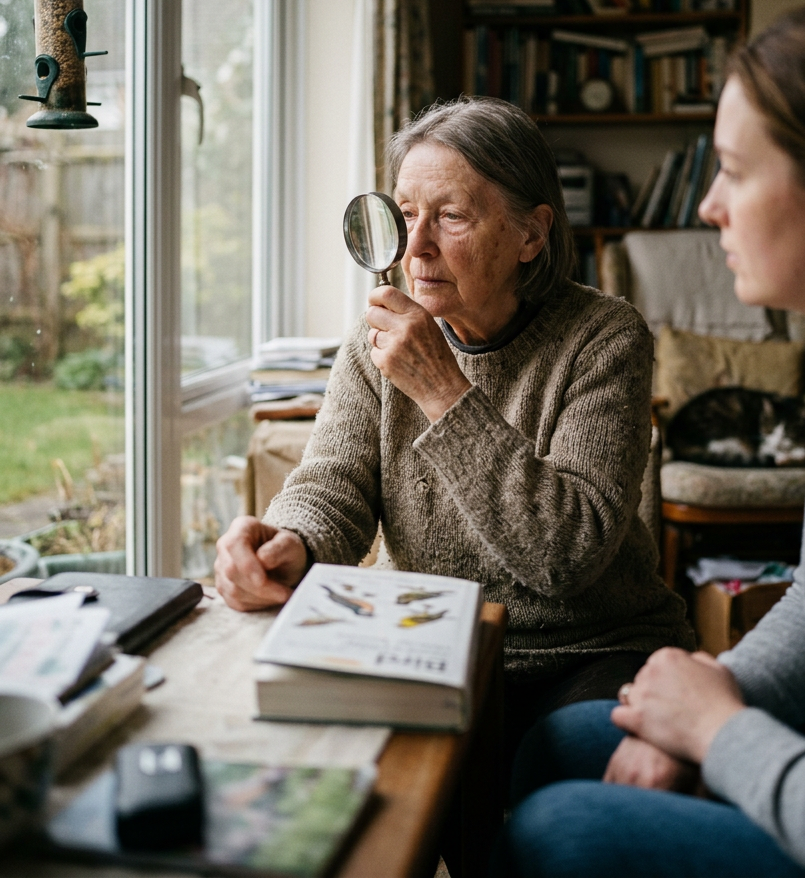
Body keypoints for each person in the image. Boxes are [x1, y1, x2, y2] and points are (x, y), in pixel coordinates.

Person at [496, 0, 805, 878]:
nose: (709, 205)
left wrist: (718, 732)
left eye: (734, 171)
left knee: (555, 833)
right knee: (561, 741)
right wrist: (718, 695)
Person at [216, 97, 692, 750]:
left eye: (451, 217)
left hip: (584, 652)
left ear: (531, 234)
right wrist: (289, 540)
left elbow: (566, 558)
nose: (416, 248)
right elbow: (334, 480)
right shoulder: (374, 343)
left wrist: (444, 391)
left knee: (558, 788)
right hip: (424, 638)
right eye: (406, 215)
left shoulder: (604, 337)